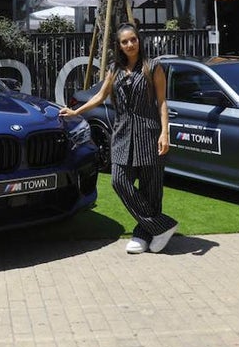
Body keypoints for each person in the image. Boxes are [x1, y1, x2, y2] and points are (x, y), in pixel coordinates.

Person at [60, 23, 177, 254]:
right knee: (119, 181)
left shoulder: (153, 67)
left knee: (150, 189)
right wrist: (76, 111)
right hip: (123, 133)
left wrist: (165, 132)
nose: (130, 44)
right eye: (125, 41)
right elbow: (100, 96)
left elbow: (162, 102)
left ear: (139, 41)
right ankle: (162, 225)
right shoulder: (115, 69)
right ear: (119, 45)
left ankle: (144, 233)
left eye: (133, 39)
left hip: (149, 132)